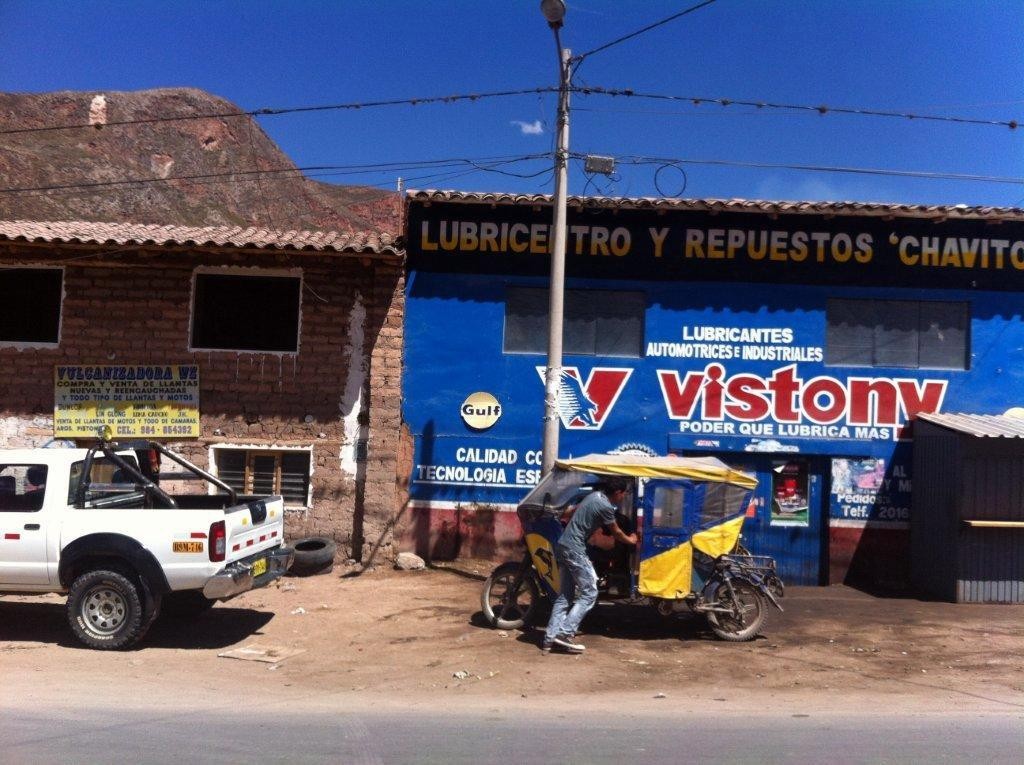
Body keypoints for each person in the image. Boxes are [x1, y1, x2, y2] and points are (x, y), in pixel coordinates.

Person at [542, 477, 638, 654]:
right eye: (624, 494)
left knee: (564, 596)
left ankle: (549, 639)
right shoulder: (606, 507)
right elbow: (616, 532)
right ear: (617, 493)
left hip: (563, 545)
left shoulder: (594, 496)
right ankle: (564, 633)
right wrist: (631, 540)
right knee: (590, 592)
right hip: (575, 549)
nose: (624, 497)